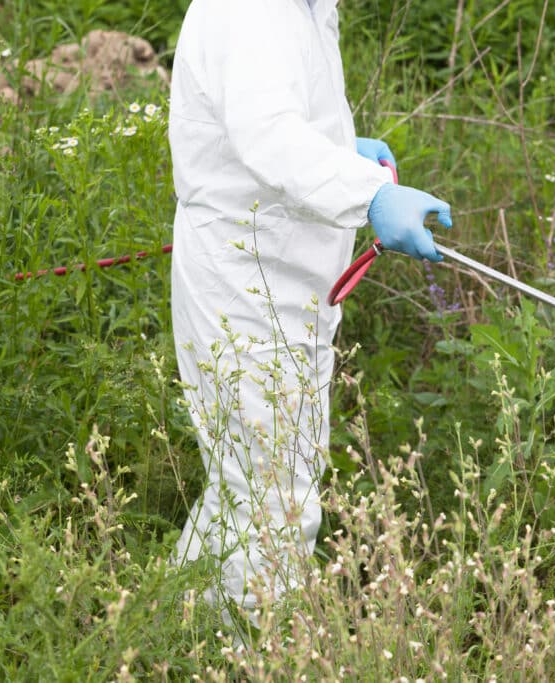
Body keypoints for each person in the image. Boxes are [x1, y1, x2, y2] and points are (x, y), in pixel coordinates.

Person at [168, 0, 452, 628]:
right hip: (246, 278)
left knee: (248, 478)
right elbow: (267, 133)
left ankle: (172, 634)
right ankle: (250, 654)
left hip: (288, 273)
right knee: (273, 501)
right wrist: (369, 192)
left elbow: (272, 112)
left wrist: (342, 149)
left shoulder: (307, 7)